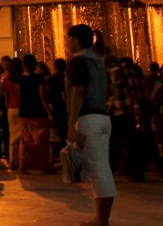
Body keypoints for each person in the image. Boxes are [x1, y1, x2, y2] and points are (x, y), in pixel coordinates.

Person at [66, 24, 115, 226]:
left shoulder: (79, 61)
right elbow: (110, 89)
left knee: (98, 170)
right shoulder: (99, 62)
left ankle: (101, 219)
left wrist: (71, 125)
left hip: (88, 119)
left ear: (76, 39)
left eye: (68, 38)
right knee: (101, 168)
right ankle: (101, 217)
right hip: (103, 117)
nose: (67, 43)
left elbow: (78, 92)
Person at [17, 54, 52, 174]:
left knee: (26, 140)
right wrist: (49, 113)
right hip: (38, 111)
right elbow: (42, 97)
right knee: (41, 140)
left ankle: (24, 165)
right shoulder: (39, 79)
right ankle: (43, 165)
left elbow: (19, 96)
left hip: (24, 112)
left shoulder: (20, 79)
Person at [3, 57, 23, 170]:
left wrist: (7, 108)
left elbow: (6, 97)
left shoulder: (6, 80)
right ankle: (21, 160)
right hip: (21, 108)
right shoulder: (22, 79)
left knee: (12, 135)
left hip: (11, 108)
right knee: (22, 136)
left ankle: (12, 160)